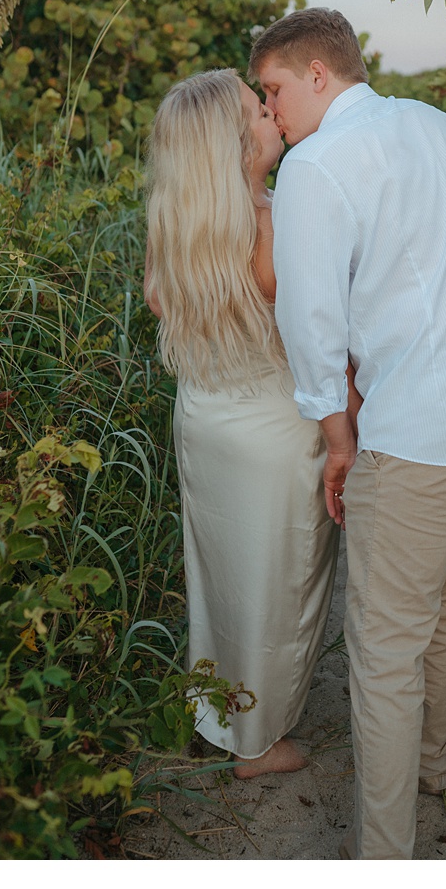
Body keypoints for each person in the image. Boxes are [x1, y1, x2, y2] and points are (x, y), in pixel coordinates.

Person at [247, 8, 446, 857]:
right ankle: (437, 769)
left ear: (316, 74)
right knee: (445, 604)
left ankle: (385, 863)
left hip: (421, 432)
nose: (271, 114)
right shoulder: (440, 125)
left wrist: (339, 445)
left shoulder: (315, 166)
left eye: (273, 91)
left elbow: (313, 326)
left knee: (382, 650)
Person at [144, 68, 342, 779]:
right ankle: (257, 743)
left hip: (203, 418)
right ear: (234, 144)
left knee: (222, 577)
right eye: (259, 111)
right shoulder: (274, 222)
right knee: (281, 586)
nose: (273, 115)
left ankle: (216, 710)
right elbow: (320, 334)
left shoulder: (180, 223)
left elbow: (162, 303)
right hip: (272, 430)